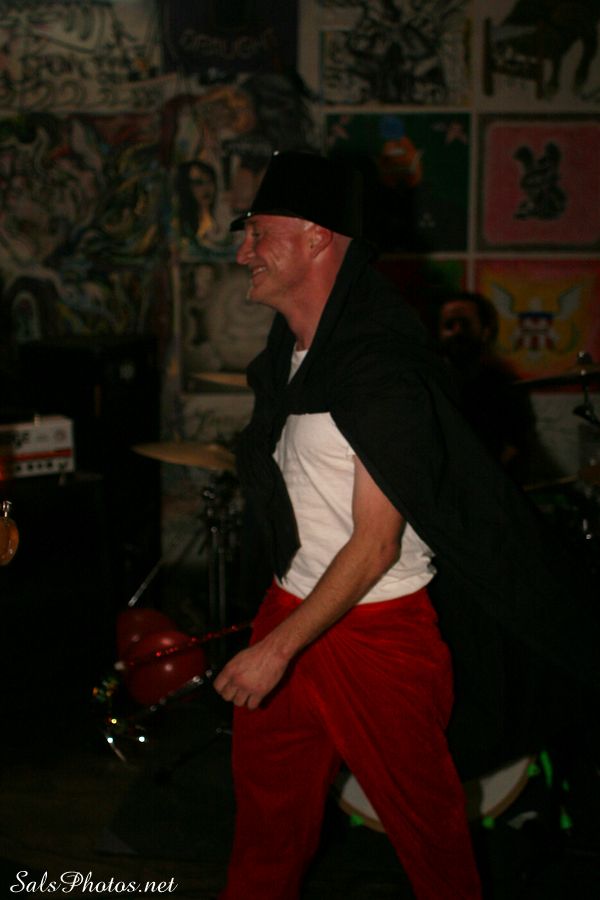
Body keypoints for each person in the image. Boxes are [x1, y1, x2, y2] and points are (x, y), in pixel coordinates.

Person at [213, 151, 599, 900]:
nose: (243, 252)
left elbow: (376, 542)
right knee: (266, 827)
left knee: (430, 842)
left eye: (258, 232)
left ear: (318, 238)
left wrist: (276, 651)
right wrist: (278, 627)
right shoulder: (294, 355)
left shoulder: (383, 368)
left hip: (378, 631)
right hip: (292, 605)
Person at [433, 291, 536, 483]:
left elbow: (517, 445)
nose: (457, 331)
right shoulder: (429, 382)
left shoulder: (505, 385)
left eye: (465, 324)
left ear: (486, 331)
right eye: (449, 325)